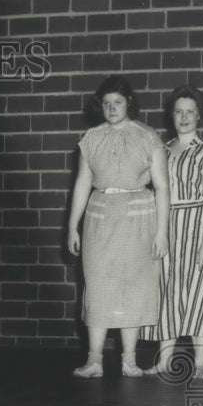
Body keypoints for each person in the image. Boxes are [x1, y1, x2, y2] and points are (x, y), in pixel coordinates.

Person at [66, 75, 169, 378]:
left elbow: (162, 187)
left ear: (129, 104)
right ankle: (94, 360)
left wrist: (162, 232)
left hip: (139, 217)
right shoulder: (92, 138)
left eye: (118, 102)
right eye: (106, 103)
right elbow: (83, 183)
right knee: (97, 285)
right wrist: (73, 226)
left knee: (133, 287)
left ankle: (129, 361)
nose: (111, 108)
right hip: (100, 216)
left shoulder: (148, 136)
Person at [142, 85, 203, 379]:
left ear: (199, 115)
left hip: (196, 226)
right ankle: (165, 361)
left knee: (199, 292)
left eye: (190, 111)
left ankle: (200, 362)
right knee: (167, 293)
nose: (184, 117)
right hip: (166, 227)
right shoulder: (162, 150)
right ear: (171, 115)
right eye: (179, 111)